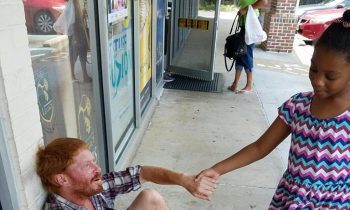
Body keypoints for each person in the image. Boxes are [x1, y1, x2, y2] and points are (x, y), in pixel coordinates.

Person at [198, 9, 350, 209]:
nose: (318, 80)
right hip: (291, 201)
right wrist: (218, 169)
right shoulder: (298, 106)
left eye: (330, 76)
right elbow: (260, 147)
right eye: (313, 69)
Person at [36, 138, 217, 210]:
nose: (97, 169)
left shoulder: (92, 185)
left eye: (94, 161)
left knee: (150, 197)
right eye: (86, 166)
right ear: (61, 179)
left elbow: (143, 173)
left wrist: (183, 179)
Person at [228, 0, 267, 94]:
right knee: (239, 52)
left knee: (247, 53)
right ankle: (235, 84)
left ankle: (249, 85)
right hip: (245, 23)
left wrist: (245, 9)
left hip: (252, 23)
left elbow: (264, 2)